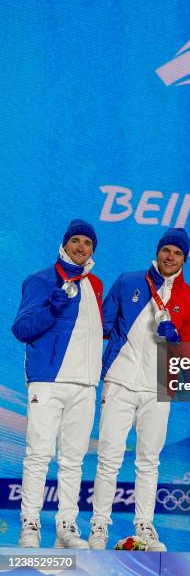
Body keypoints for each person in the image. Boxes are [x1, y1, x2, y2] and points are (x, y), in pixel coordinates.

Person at [88, 228, 190, 551]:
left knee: (149, 459)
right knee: (109, 455)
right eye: (167, 250)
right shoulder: (129, 282)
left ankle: (144, 524)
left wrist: (177, 342)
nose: (170, 257)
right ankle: (99, 524)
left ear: (185, 259)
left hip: (159, 385)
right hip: (120, 380)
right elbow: (101, 325)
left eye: (177, 254)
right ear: (158, 251)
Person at [12, 219, 103, 549]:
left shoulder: (95, 285)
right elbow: (22, 329)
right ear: (64, 244)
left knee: (74, 459)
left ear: (93, 249)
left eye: (87, 243)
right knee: (38, 455)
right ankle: (30, 524)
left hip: (84, 385)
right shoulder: (40, 280)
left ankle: (66, 525)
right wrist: (52, 308)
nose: (81, 247)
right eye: (75, 241)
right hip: (48, 383)